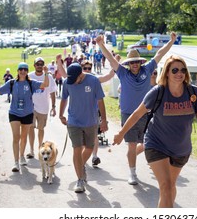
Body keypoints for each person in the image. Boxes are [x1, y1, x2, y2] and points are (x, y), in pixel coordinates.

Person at [113, 55, 197, 207]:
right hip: (156, 144)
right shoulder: (158, 92)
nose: (180, 73)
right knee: (165, 186)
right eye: (175, 70)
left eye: (183, 70)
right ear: (166, 73)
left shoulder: (193, 93)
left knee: (170, 187)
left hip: (181, 149)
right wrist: (121, 134)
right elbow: (137, 113)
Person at [96, 32, 177, 186]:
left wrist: (171, 41)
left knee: (150, 143)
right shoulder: (122, 73)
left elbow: (160, 53)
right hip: (128, 114)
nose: (134, 65)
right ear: (128, 64)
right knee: (132, 144)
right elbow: (111, 59)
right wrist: (101, 45)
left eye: (136, 62)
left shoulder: (147, 69)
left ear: (140, 62)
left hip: (146, 113)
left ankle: (153, 165)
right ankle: (132, 173)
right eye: (132, 63)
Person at [0, 62, 49, 172]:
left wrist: (46, 73)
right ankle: (16, 162)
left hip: (28, 113)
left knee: (24, 137)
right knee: (16, 137)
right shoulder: (12, 83)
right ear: (18, 71)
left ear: (27, 71)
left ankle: (22, 155)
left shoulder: (31, 83)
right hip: (14, 113)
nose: (23, 71)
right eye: (21, 69)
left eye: (25, 69)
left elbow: (45, 85)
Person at [59, 63, 108, 193]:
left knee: (89, 148)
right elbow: (64, 98)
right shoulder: (67, 82)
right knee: (77, 149)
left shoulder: (93, 81)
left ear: (81, 75)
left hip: (91, 121)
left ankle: (80, 166)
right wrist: (60, 114)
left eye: (75, 79)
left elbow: (100, 101)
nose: (73, 82)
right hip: (74, 121)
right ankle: (80, 179)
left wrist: (104, 120)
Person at [26, 57, 57, 160]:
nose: (39, 66)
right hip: (31, 107)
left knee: (41, 129)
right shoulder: (29, 76)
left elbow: (52, 92)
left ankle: (40, 148)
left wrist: (53, 106)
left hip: (43, 107)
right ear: (34, 65)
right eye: (37, 64)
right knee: (30, 127)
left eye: (41, 64)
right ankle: (31, 150)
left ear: (44, 66)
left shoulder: (49, 77)